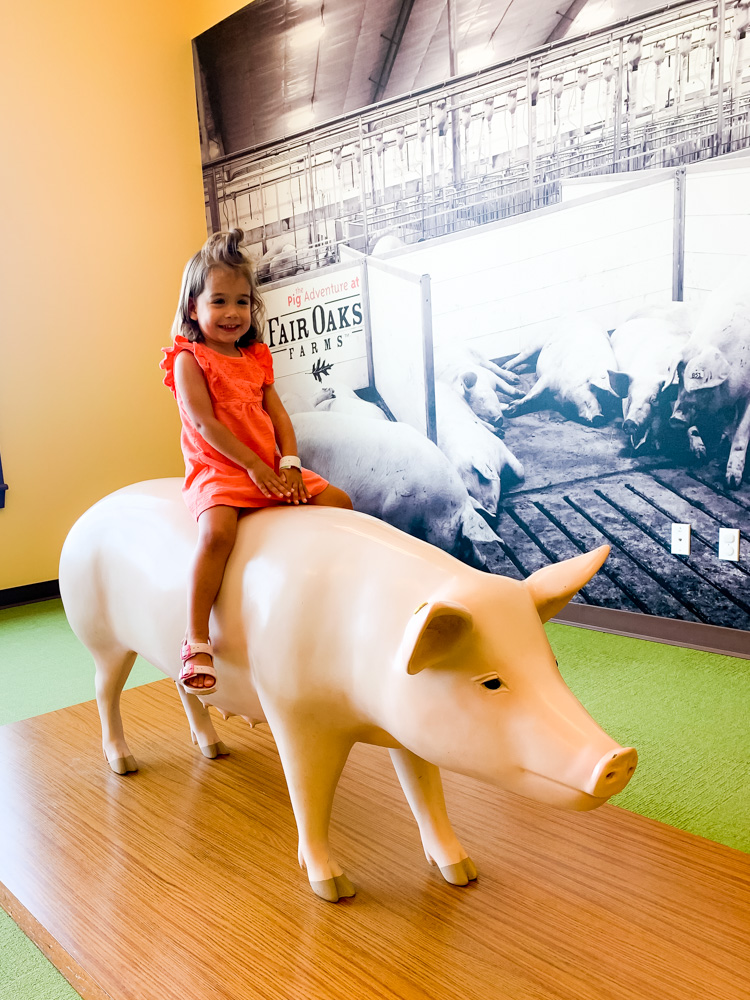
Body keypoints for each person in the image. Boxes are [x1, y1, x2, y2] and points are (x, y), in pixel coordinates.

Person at [161, 229, 352, 694]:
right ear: (193, 308)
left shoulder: (256, 356)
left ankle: (323, 603)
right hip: (221, 469)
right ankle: (196, 638)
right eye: (219, 302)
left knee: (341, 502)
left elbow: (278, 414)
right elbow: (206, 425)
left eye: (242, 302)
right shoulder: (189, 358)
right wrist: (254, 467)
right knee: (218, 533)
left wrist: (288, 461)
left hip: (269, 465)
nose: (232, 314)